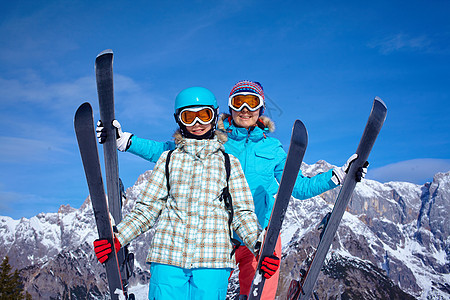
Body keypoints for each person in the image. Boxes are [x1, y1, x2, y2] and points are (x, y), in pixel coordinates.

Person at [96, 80, 367, 299]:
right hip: (215, 234)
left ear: (261, 108)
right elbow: (167, 152)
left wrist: (338, 177)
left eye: (252, 102)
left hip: (255, 228)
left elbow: (298, 187)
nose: (245, 108)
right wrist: (126, 142)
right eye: (239, 102)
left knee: (260, 291)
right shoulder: (214, 140)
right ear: (228, 108)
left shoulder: (271, 150)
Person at [93, 87, 280, 300]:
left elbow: (242, 214)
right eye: (189, 117)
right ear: (179, 120)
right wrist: (118, 238)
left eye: (204, 115)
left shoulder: (229, 163)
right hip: (168, 258)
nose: (197, 123)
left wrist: (259, 246)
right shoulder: (168, 159)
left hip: (212, 261)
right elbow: (147, 209)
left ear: (215, 116)